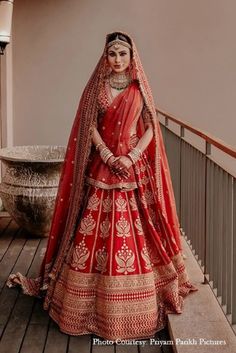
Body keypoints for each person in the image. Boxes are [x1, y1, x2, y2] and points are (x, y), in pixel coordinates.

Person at [7, 31, 197, 340]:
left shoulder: (139, 89)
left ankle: (132, 302)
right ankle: (87, 302)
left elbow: (150, 129)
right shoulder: (97, 88)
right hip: (103, 167)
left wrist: (132, 156)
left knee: (134, 229)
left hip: (132, 169)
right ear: (105, 57)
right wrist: (109, 156)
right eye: (113, 54)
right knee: (92, 230)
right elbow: (90, 127)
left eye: (123, 54)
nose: (118, 60)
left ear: (132, 57)